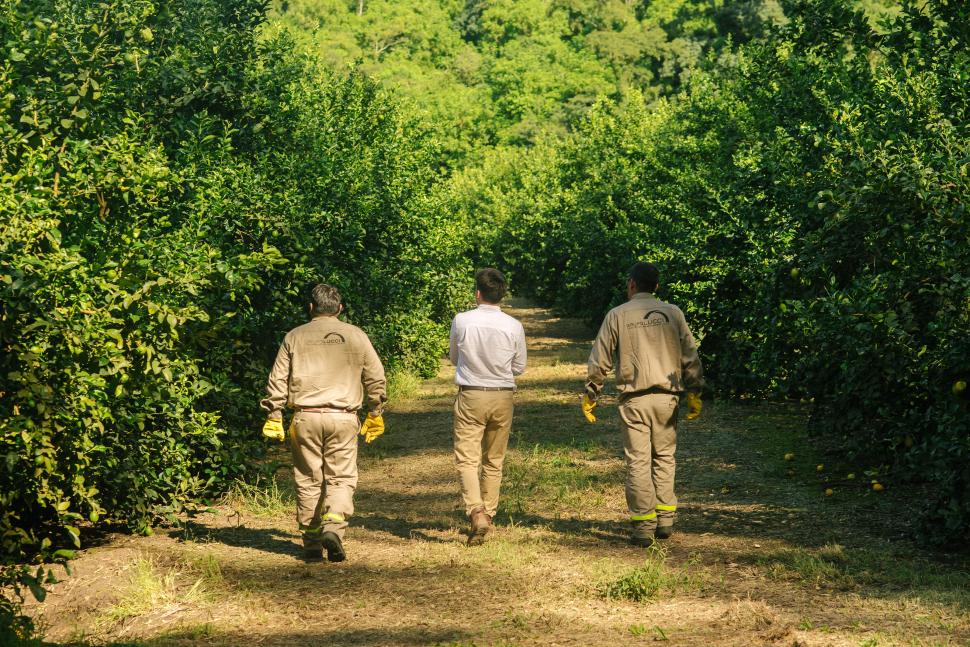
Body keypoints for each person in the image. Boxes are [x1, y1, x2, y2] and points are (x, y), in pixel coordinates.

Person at [260, 284, 387, 562]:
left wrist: (274, 413)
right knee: (341, 476)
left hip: (305, 417)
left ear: (310, 308)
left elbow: (278, 378)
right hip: (343, 417)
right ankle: (333, 524)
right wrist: (375, 410)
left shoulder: (294, 336)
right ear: (339, 309)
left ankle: (312, 542)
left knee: (308, 479)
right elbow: (375, 377)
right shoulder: (356, 336)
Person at [582, 262, 704, 547]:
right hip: (667, 399)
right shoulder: (673, 313)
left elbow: (600, 359)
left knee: (638, 460)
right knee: (664, 457)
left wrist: (592, 393)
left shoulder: (617, 315)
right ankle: (665, 520)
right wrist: (695, 390)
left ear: (632, 284)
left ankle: (643, 526)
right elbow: (690, 354)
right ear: (657, 286)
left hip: (633, 400)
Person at [450, 268, 527, 545]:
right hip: (503, 394)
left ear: (477, 293)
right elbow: (519, 366)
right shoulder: (514, 325)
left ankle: (476, 511)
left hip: (471, 394)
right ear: (501, 295)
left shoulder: (462, 321)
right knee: (494, 459)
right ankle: (489, 514)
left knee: (467, 459)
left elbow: (453, 356)